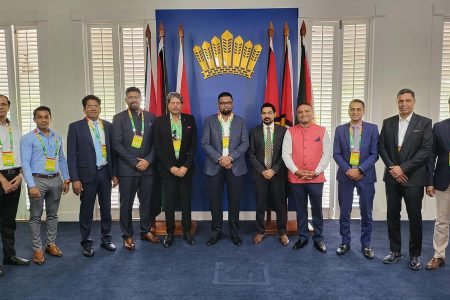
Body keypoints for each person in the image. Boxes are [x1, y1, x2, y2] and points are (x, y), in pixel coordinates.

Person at [379, 88, 432, 270]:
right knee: (392, 215)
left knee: (415, 217)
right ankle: (395, 251)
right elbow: (382, 148)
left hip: (414, 179)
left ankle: (415, 255)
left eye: (407, 100)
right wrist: (394, 168)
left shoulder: (424, 123)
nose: (404, 104)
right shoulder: (388, 122)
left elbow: (425, 151)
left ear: (414, 102)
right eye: (401, 101)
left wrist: (404, 168)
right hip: (392, 178)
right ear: (397, 102)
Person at [67, 95, 118, 257]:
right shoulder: (75, 127)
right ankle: (86, 243)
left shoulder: (108, 126)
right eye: (89, 106)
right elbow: (72, 155)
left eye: (96, 105)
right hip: (86, 175)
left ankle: (106, 238)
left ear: (100, 108)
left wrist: (114, 174)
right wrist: (75, 178)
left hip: (105, 172)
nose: (93, 108)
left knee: (106, 209)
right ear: (84, 109)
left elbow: (113, 153)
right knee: (86, 210)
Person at [20, 106, 70, 265]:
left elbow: (61, 159)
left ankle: (51, 244)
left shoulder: (57, 136)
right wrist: (31, 185)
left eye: (46, 116)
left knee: (53, 215)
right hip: (37, 180)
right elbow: (25, 163)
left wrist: (66, 178)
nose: (43, 120)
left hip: (55, 180)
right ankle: (37, 249)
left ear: (50, 118)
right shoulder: (28, 138)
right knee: (35, 217)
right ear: (34, 119)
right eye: (40, 117)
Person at [112, 86, 159, 251]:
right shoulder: (118, 118)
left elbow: (156, 144)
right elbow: (116, 144)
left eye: (136, 97)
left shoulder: (151, 117)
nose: (133, 100)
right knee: (126, 204)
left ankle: (145, 231)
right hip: (127, 170)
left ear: (141, 99)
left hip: (147, 169)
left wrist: (148, 160)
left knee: (146, 202)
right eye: (130, 97)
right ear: (126, 99)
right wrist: (134, 162)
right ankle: (127, 235)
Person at [201, 92, 249, 246]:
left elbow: (245, 144)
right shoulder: (209, 121)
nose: (225, 105)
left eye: (228, 102)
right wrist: (221, 159)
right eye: (222, 103)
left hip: (236, 166)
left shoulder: (241, 121)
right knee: (215, 202)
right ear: (218, 105)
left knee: (234, 202)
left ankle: (235, 234)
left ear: (232, 104)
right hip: (215, 166)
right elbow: (205, 143)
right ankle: (216, 232)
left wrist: (231, 158)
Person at [333, 99, 379, 259]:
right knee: (344, 211)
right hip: (346, 176)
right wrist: (348, 170)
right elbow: (336, 153)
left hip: (365, 175)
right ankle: (345, 242)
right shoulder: (340, 130)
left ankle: (366, 245)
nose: (355, 112)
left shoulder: (373, 129)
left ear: (363, 111)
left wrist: (359, 169)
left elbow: (375, 154)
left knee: (366, 212)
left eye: (358, 109)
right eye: (352, 109)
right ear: (348, 111)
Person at [282, 103, 331, 253]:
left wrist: (316, 171)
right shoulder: (290, 131)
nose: (303, 114)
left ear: (312, 113)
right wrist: (296, 171)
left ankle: (318, 238)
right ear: (297, 115)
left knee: (317, 209)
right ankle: (302, 237)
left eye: (306, 111)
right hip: (296, 179)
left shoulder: (322, 131)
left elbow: (326, 154)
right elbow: (286, 154)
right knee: (300, 209)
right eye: (300, 112)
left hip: (316, 179)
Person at [153, 92, 197, 248]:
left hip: (185, 169)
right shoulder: (159, 122)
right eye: (172, 103)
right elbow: (157, 147)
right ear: (168, 104)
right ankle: (170, 233)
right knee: (169, 203)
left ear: (181, 104)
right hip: (167, 170)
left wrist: (185, 166)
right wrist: (170, 167)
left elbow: (193, 146)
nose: (175, 105)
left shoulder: (189, 120)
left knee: (186, 202)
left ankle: (186, 232)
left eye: (178, 102)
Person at [249, 103, 288, 246]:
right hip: (260, 175)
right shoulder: (254, 131)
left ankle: (282, 232)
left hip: (277, 175)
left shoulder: (283, 131)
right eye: (264, 113)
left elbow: (285, 154)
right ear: (261, 115)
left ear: (274, 114)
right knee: (260, 205)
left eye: (269, 113)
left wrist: (273, 170)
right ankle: (260, 231)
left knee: (280, 205)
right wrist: (263, 171)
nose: (267, 115)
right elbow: (251, 154)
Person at [0, 95, 29, 276]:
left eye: (3, 104)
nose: (0, 107)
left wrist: (21, 176)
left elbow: (24, 156)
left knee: (9, 221)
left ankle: (9, 256)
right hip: (0, 177)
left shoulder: (16, 128)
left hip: (15, 176)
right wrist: (2, 180)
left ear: (9, 107)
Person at [425, 97, 450, 270]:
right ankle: (438, 256)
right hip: (443, 180)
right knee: (442, 221)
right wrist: (429, 181)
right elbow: (431, 156)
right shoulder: (439, 127)